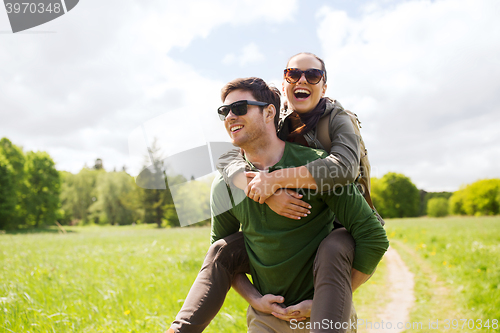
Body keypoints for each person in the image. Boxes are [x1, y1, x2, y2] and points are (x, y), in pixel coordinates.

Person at [168, 76, 388, 333]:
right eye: (224, 111)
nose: (230, 116)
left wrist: (325, 300)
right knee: (221, 247)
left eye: (239, 108)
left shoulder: (316, 168)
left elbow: (373, 238)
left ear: (270, 112)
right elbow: (224, 259)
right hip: (266, 320)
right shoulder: (226, 184)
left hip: (325, 317)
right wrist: (255, 300)